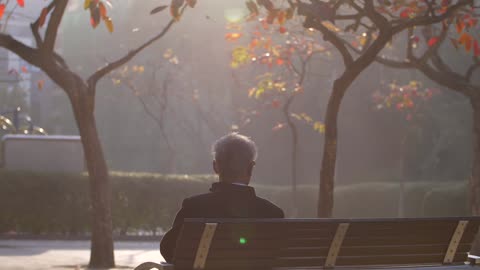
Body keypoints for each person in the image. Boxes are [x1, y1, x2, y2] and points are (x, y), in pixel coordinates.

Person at [160, 133, 284, 263]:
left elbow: (169, 250)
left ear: (216, 166)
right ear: (250, 168)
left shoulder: (194, 207)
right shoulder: (273, 213)